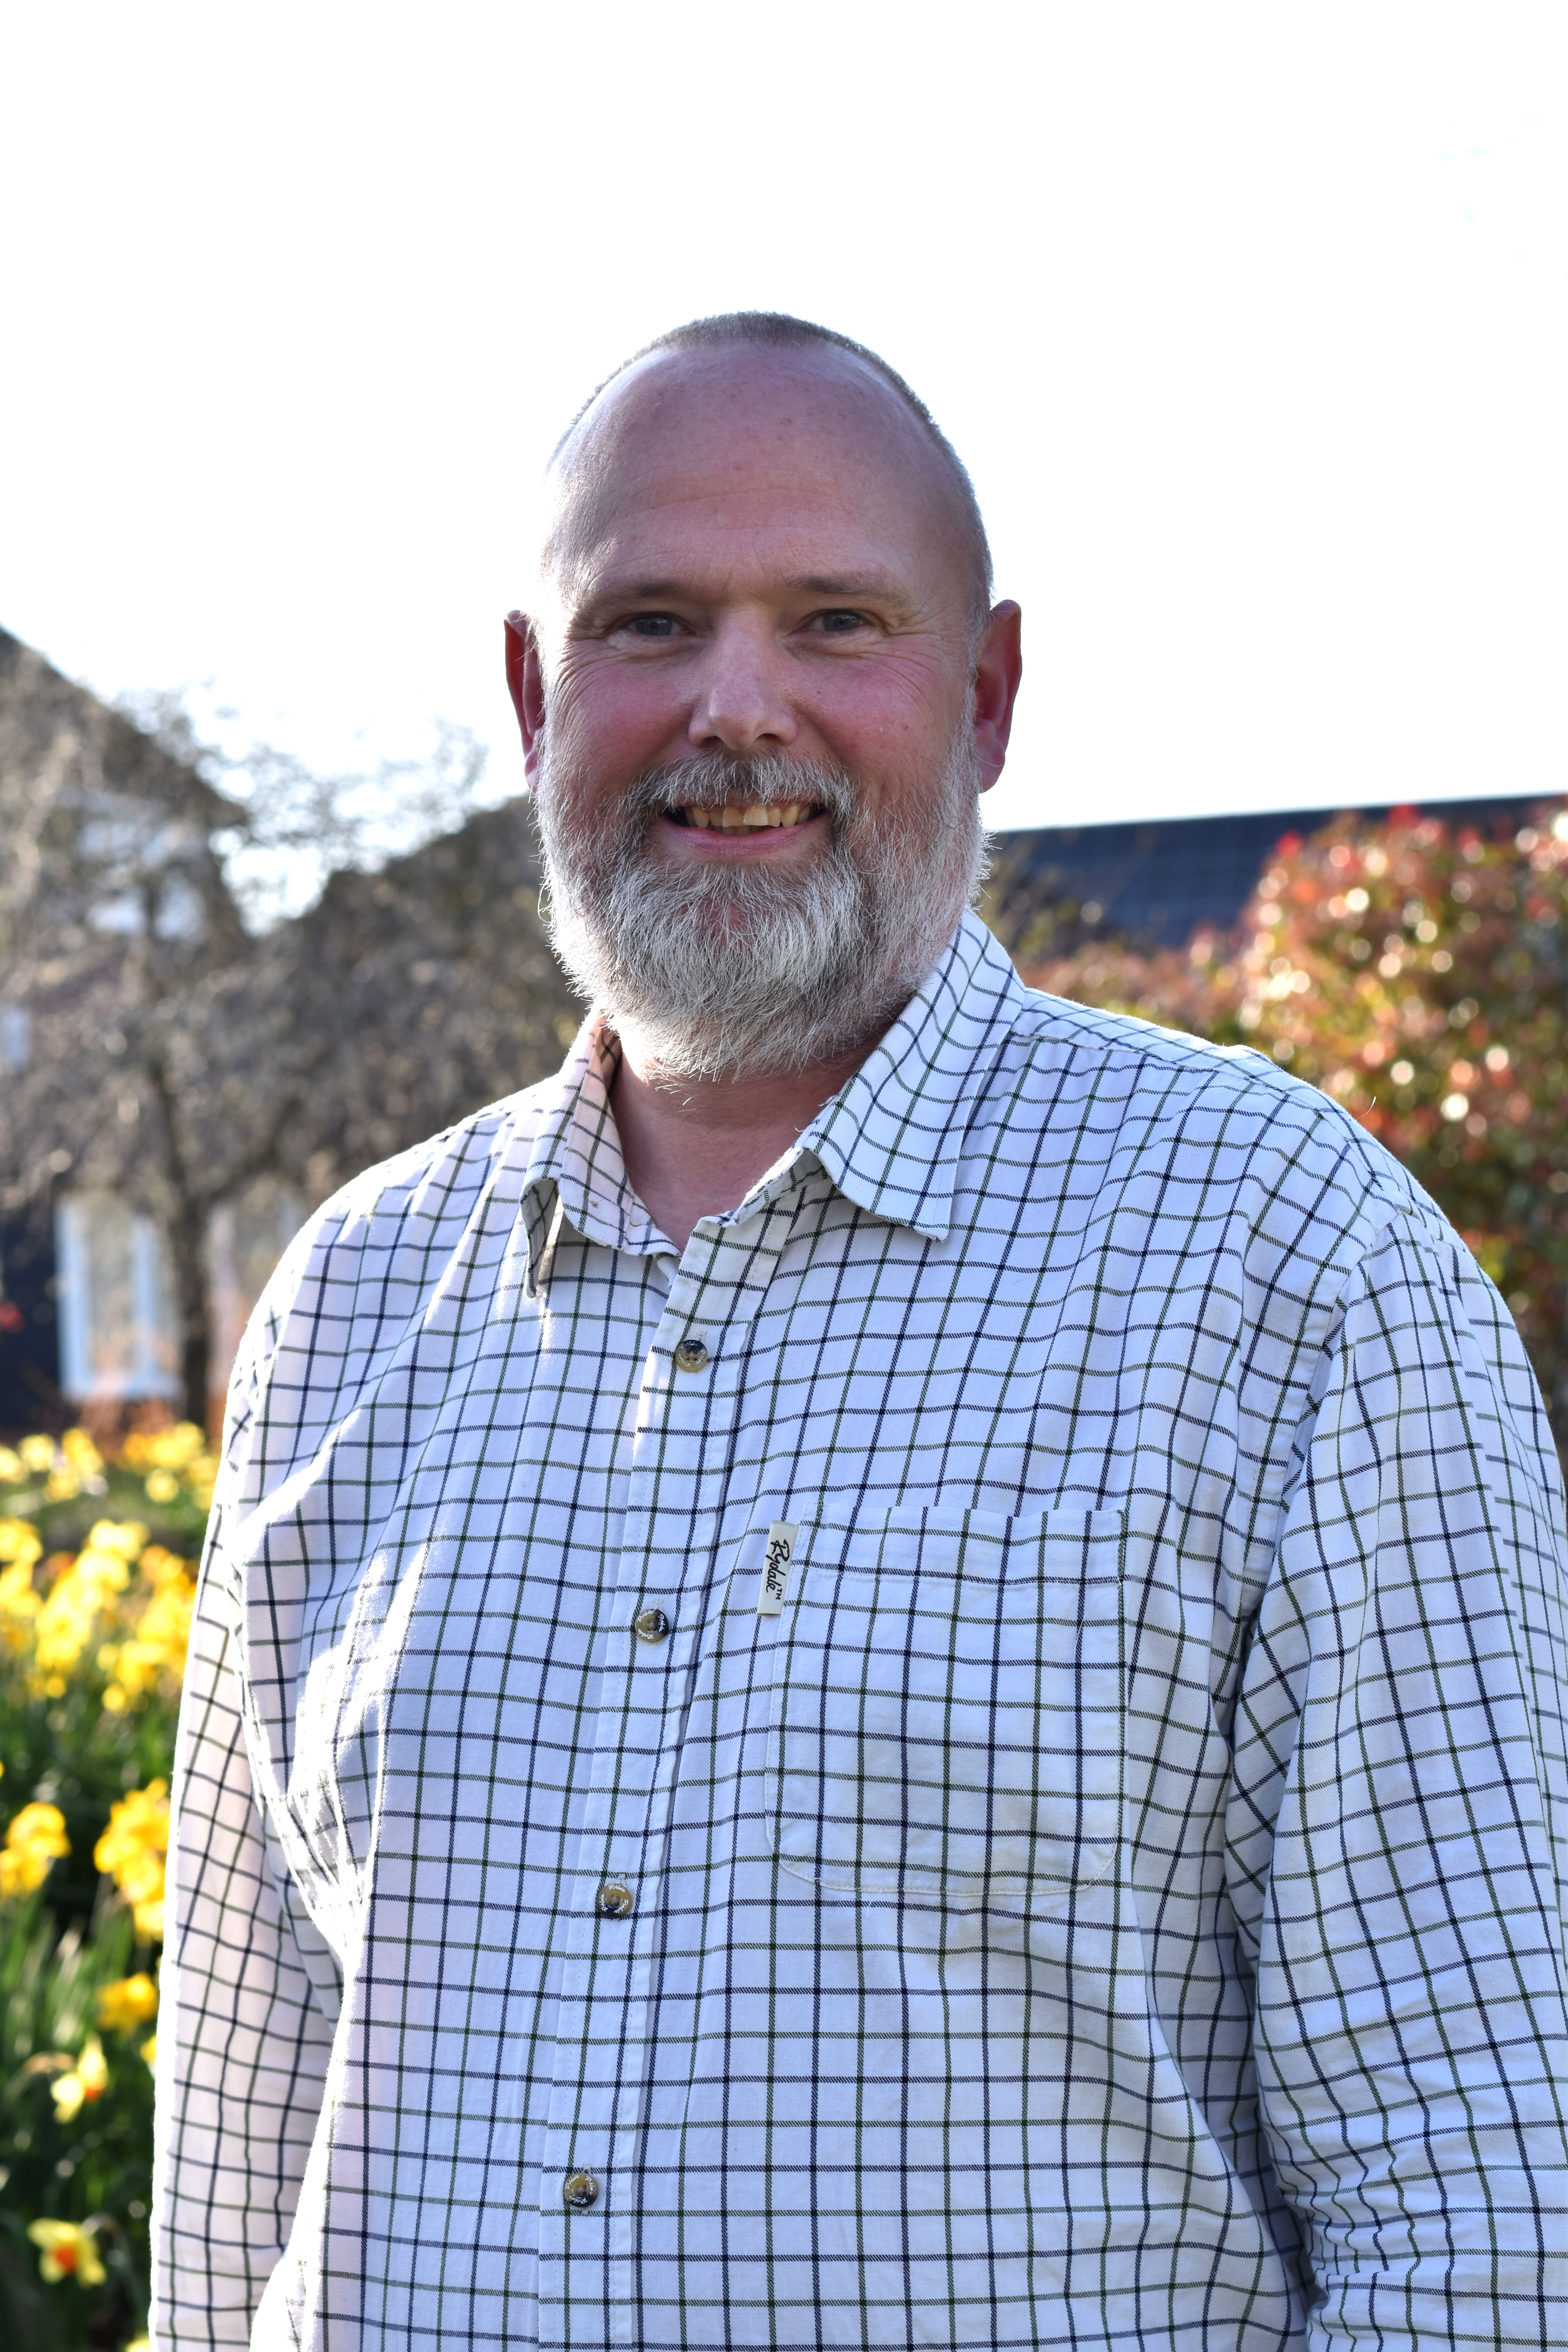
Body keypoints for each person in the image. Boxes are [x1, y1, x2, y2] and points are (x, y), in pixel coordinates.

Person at [153, 313, 1568, 2352]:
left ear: (986, 697)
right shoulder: (352, 1304)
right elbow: (232, 2183)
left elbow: (1482, 2217)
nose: (740, 707)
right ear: (534, 694)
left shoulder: (1294, 1273)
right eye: (650, 623)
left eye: (833, 622)